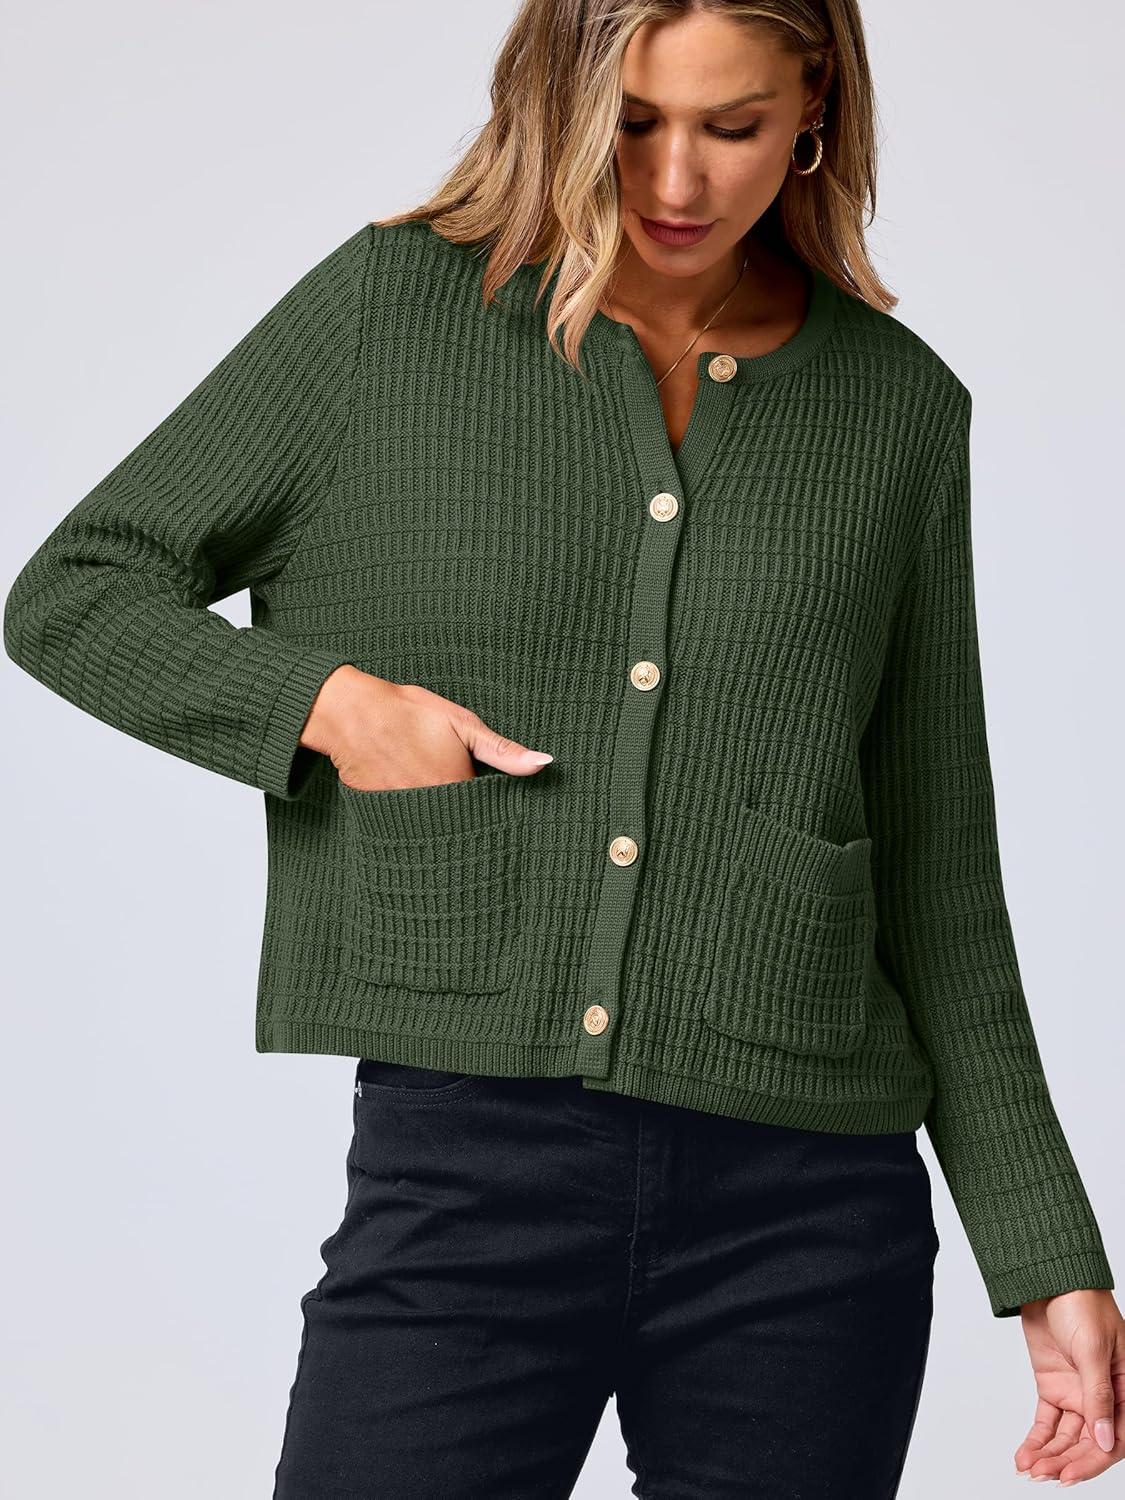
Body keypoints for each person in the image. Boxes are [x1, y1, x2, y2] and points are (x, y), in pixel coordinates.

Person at [5, 0, 1121, 1495]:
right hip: (472, 1166)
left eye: (731, 127)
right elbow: (78, 593)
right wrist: (335, 709)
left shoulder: (894, 410)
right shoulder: (393, 315)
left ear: (814, 108)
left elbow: (935, 868)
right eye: (632, 123)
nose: (675, 180)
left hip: (812, 1212)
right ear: (559, 102)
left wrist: (1045, 1252)